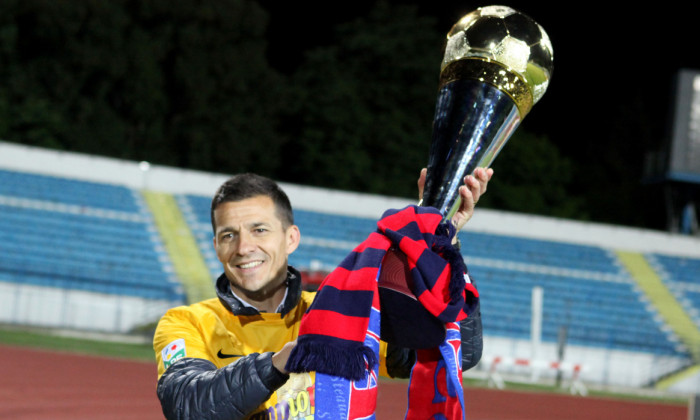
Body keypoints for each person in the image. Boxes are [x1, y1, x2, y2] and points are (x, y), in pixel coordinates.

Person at [154, 168, 493, 420]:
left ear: (291, 238)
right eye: (229, 235)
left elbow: (455, 352)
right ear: (216, 246)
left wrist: (440, 241)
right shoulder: (187, 322)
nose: (244, 247)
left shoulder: (342, 312)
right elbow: (186, 406)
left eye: (259, 230)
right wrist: (279, 363)